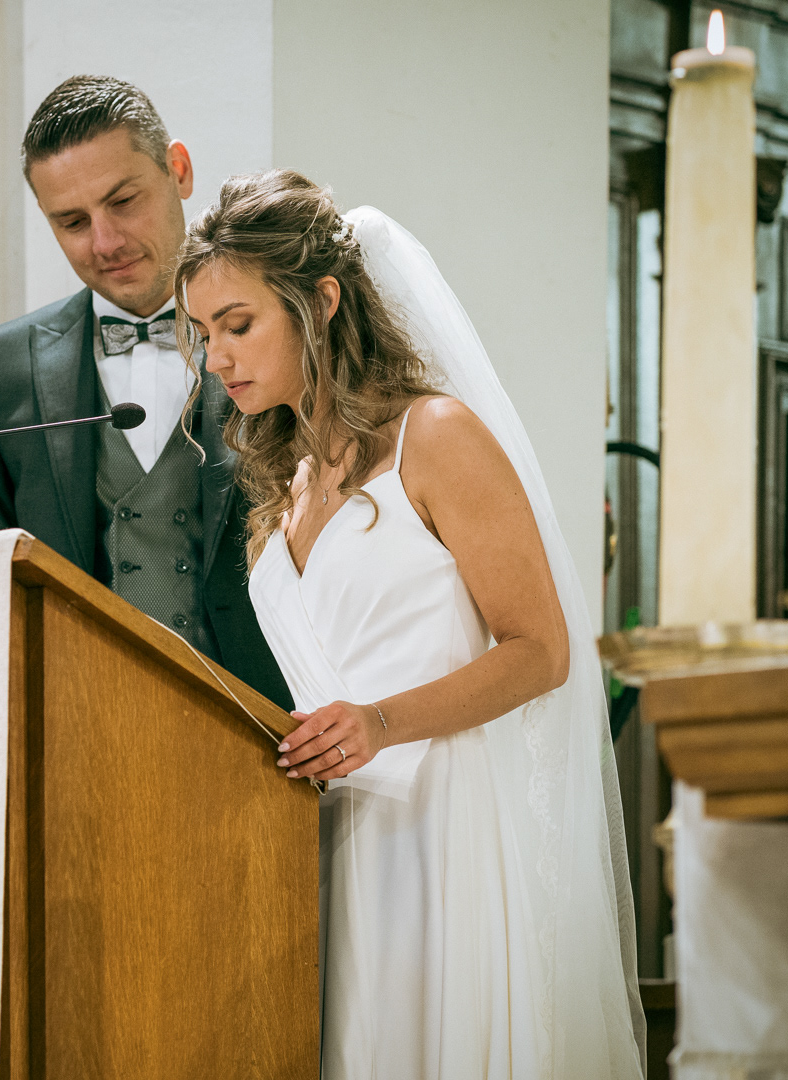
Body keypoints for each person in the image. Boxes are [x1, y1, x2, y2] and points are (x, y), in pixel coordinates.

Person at [175, 171, 643, 1077]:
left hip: (441, 828)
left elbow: (542, 651)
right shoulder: (288, 481)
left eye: (238, 324)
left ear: (321, 302)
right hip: (328, 835)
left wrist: (381, 722)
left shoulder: (435, 436)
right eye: (203, 334)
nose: (216, 359)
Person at [0, 76, 291, 709]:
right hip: (85, 731)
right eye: (72, 222)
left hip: (273, 726)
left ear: (178, 170)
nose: (105, 242)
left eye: (124, 201)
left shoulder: (281, 332)